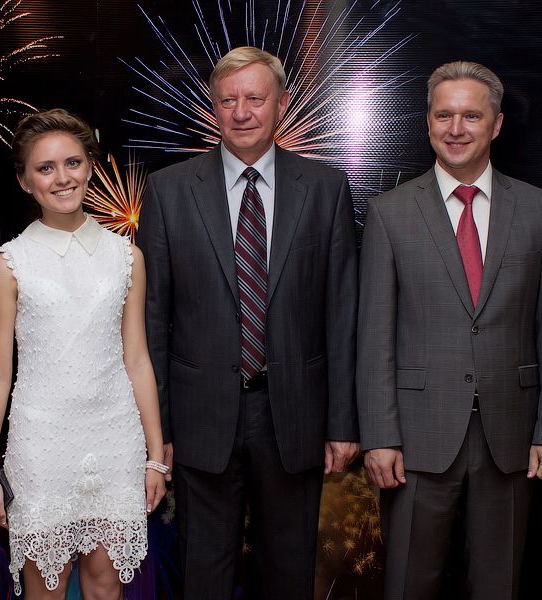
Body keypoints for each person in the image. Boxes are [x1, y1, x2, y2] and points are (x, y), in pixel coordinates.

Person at [136, 46, 359, 600]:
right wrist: (157, 431)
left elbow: (341, 313)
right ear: (213, 107)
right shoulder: (168, 190)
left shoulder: (325, 188)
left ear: (281, 104)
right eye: (228, 100)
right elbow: (152, 320)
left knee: (288, 574)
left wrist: (342, 422)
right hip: (200, 419)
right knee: (204, 576)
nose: (241, 112)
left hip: (294, 415)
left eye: (255, 98)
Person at [357, 61, 542, 599]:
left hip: (512, 435)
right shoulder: (389, 214)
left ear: (496, 124)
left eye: (471, 116)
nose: (456, 128)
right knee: (408, 583)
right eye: (444, 115)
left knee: (499, 585)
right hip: (416, 438)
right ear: (428, 122)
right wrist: (380, 436)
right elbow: (375, 336)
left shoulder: (539, 210)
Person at [0, 108, 166, 599]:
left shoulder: (126, 256)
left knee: (106, 586)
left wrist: (155, 458)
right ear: (25, 181)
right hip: (41, 443)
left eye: (73, 163)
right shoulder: (10, 263)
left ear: (90, 167)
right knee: (45, 589)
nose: (62, 178)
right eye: (45, 168)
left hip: (115, 438)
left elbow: (137, 359)